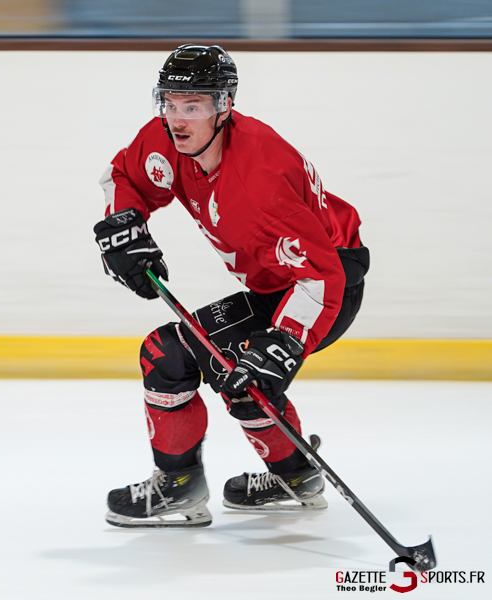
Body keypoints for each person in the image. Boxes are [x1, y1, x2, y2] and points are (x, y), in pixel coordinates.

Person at [94, 45, 369, 527]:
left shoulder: (261, 181)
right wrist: (124, 227)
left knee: (238, 368)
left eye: (193, 107)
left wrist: (282, 343)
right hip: (278, 281)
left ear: (224, 106)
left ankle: (229, 481)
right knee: (180, 356)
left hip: (325, 283)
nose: (178, 120)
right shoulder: (166, 141)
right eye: (170, 103)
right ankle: (289, 476)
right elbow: (126, 176)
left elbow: (321, 277)